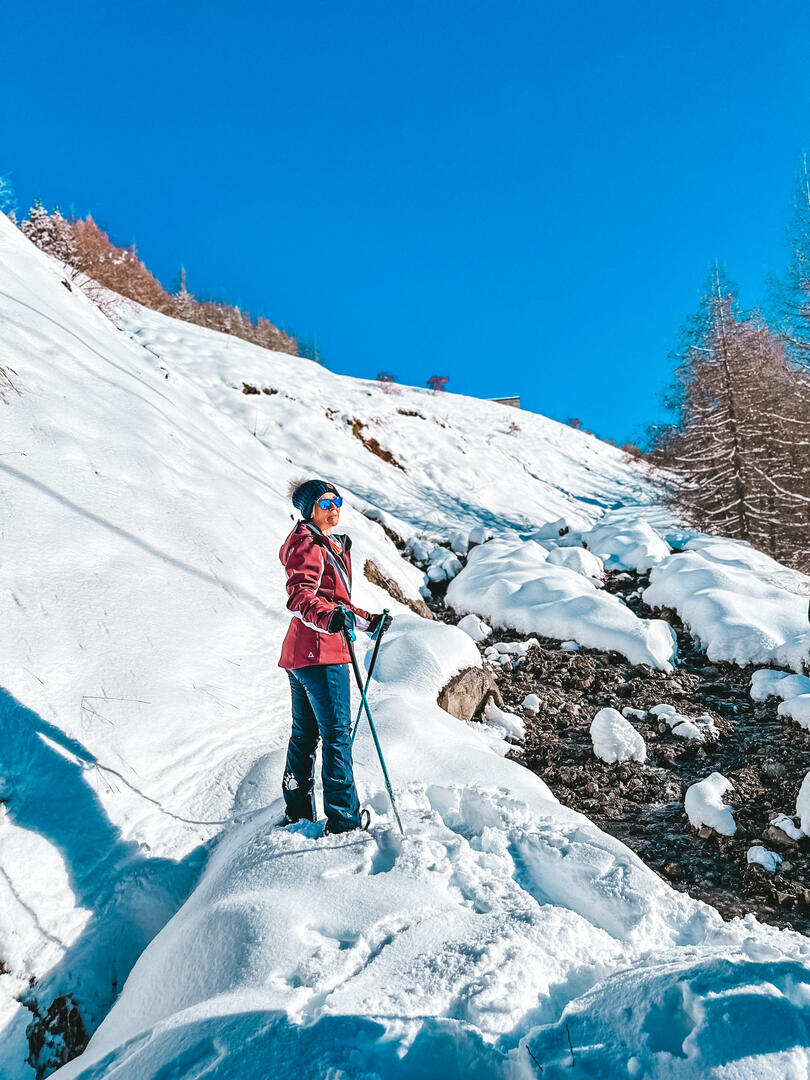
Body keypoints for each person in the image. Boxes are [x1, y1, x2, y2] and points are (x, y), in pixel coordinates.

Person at [278, 479, 393, 834]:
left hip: (303, 654)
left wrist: (368, 622)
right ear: (309, 510)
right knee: (337, 736)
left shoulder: (324, 543)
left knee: (305, 736)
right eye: (325, 503)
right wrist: (328, 620)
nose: (334, 509)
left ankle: (298, 812)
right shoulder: (310, 544)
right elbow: (300, 597)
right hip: (322, 655)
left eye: (337, 501)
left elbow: (334, 603)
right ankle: (344, 820)